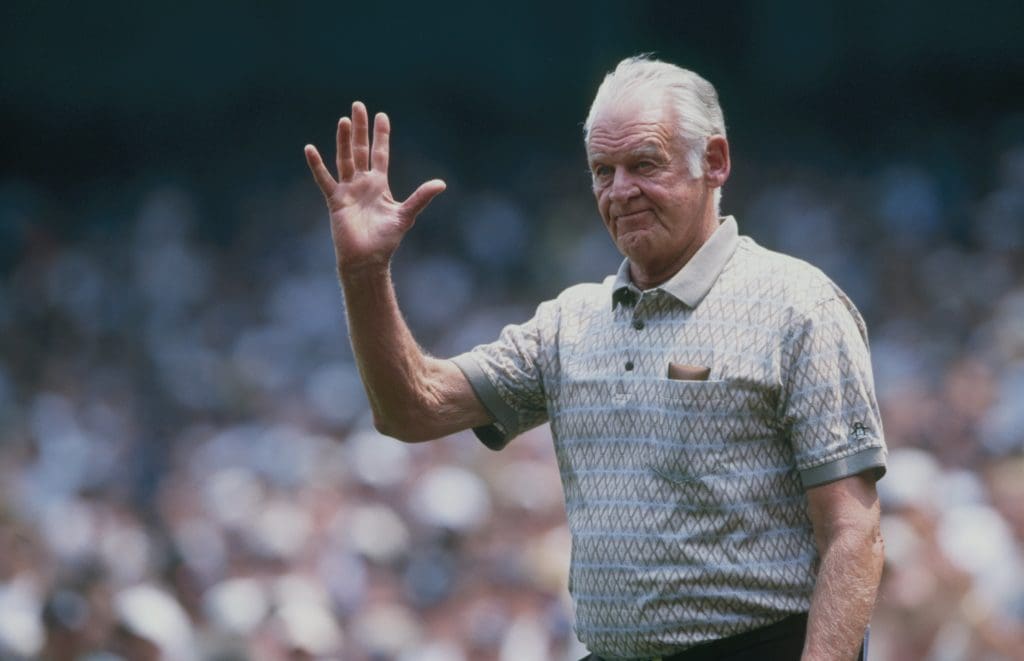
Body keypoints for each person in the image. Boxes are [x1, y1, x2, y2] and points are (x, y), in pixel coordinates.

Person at [304, 55, 886, 661]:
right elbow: (411, 410)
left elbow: (853, 533)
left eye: (645, 164)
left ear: (714, 161)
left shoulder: (798, 306)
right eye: (602, 171)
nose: (620, 191)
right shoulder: (569, 323)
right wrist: (365, 271)